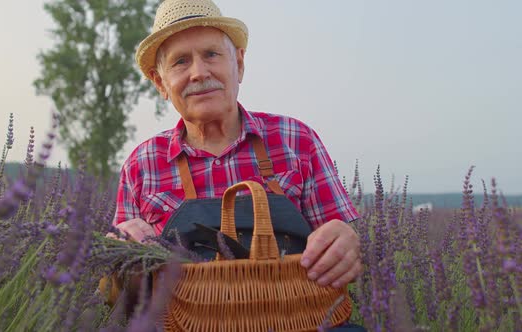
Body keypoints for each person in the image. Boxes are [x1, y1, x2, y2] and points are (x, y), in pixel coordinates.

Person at [109, 1, 364, 327]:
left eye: (212, 54)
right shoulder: (141, 165)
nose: (199, 72)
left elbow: (343, 242)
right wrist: (120, 254)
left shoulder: (296, 139)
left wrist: (345, 241)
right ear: (160, 82)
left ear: (239, 64)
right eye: (181, 61)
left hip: (302, 321)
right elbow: (122, 294)